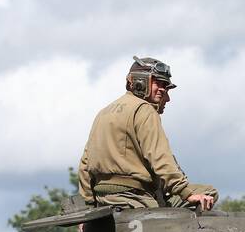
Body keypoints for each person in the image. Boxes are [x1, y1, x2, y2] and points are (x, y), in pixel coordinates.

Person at [77, 56, 218, 211]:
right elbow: (160, 157)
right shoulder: (144, 110)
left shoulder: (103, 113)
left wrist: (89, 208)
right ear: (140, 81)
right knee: (207, 193)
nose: (165, 94)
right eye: (160, 83)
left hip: (104, 200)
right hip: (137, 199)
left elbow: (85, 165)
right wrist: (186, 193)